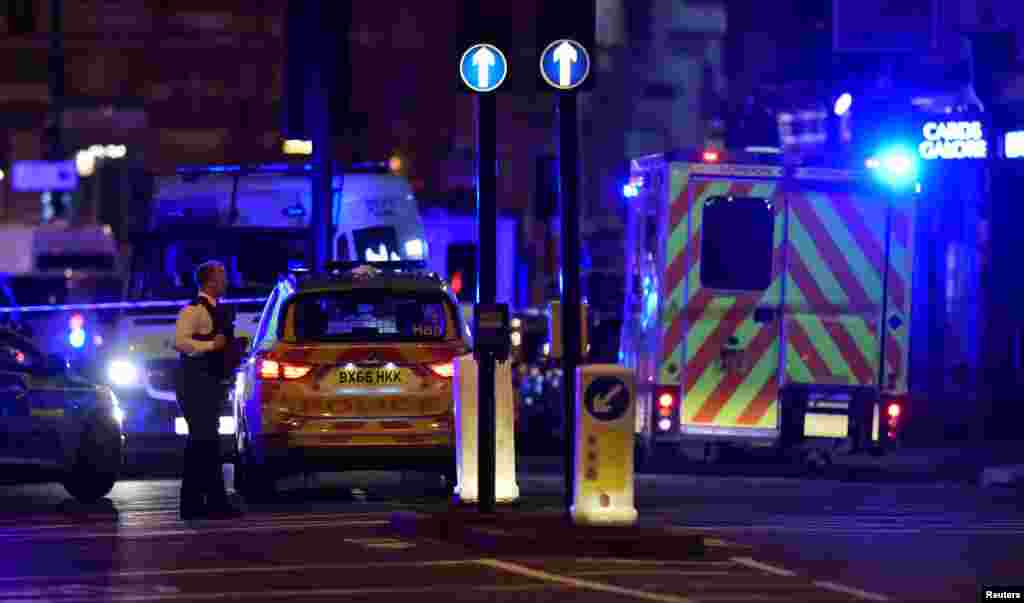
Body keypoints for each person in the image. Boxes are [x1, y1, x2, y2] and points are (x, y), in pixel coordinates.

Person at [173, 260, 244, 520]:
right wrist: (212, 346)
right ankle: (207, 503)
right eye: (222, 276)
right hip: (194, 384)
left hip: (209, 383)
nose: (226, 281)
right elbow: (180, 343)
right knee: (204, 441)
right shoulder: (193, 310)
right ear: (210, 281)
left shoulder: (218, 311)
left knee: (204, 443)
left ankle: (199, 503)